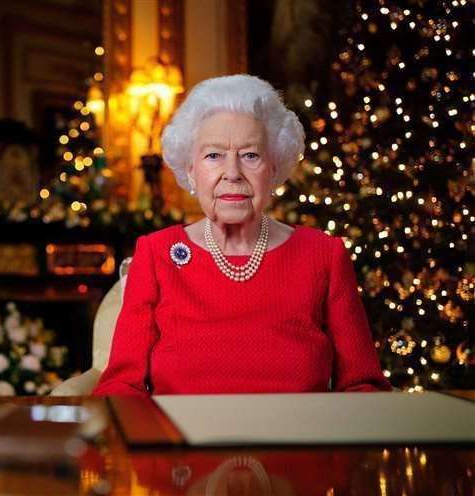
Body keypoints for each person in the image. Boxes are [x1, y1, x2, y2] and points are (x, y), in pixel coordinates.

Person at [93, 74, 391, 395]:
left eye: (250, 155)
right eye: (213, 156)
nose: (232, 173)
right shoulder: (156, 253)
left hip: (297, 441)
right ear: (191, 170)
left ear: (273, 168)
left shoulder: (323, 254)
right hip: (181, 441)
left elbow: (363, 385)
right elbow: (121, 386)